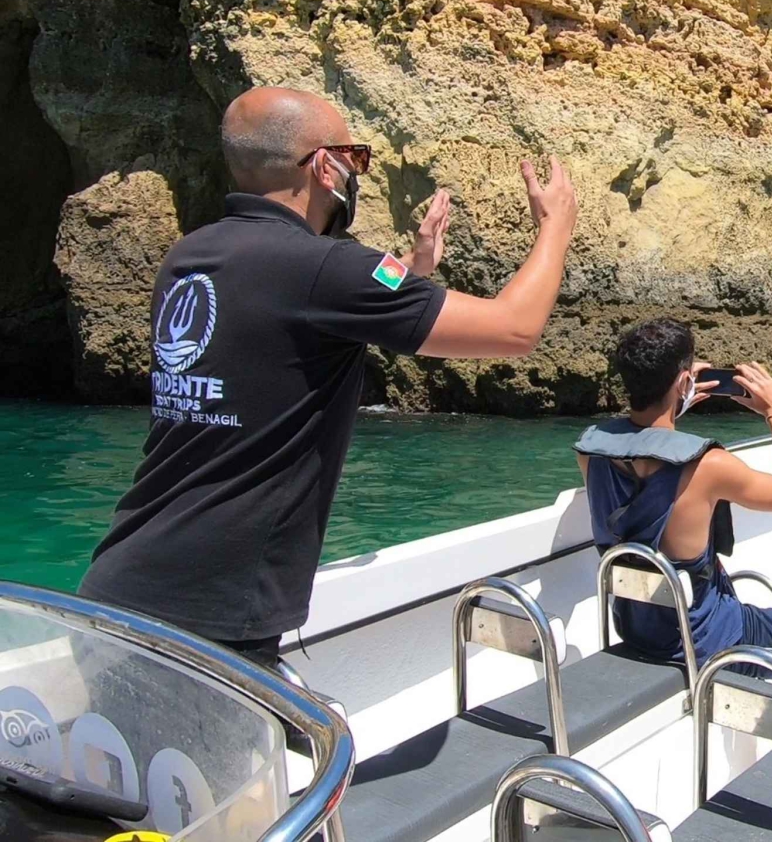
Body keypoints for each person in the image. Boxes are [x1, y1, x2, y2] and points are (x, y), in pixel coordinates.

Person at [78, 87, 579, 666]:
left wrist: (414, 273)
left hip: (119, 581)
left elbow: (305, 329)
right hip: (210, 616)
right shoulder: (330, 269)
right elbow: (515, 330)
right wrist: (555, 226)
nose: (355, 170)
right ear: (324, 165)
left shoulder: (189, 255)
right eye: (355, 156)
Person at [574, 318, 772, 692]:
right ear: (685, 382)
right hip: (708, 639)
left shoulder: (590, 453)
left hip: (638, 629)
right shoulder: (708, 466)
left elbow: (641, 446)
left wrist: (672, 405)